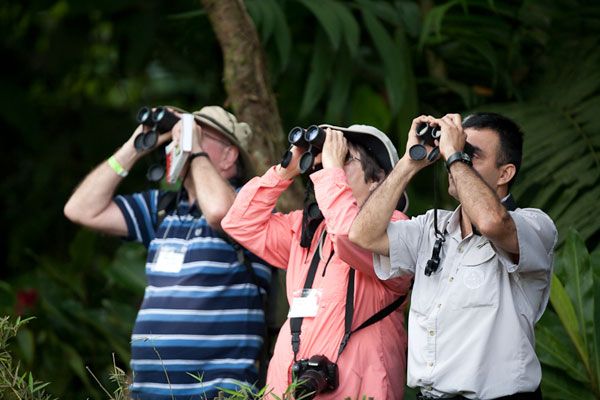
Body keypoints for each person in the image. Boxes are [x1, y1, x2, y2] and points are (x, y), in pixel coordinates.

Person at [64, 106, 271, 400]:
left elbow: (220, 213)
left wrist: (193, 147)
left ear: (229, 155)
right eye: (184, 133)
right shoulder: (164, 209)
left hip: (218, 393)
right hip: (151, 393)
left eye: (199, 133)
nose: (182, 140)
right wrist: (135, 146)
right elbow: (80, 209)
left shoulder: (250, 205)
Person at [349, 112, 557, 399]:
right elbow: (363, 234)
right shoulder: (430, 227)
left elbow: (492, 222)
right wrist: (410, 162)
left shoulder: (535, 225)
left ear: (505, 173)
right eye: (455, 149)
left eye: (472, 154)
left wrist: (455, 155)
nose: (453, 159)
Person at [221, 125, 412, 399]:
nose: (329, 165)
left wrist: (331, 170)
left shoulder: (396, 228)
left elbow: (351, 236)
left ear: (377, 180)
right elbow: (239, 223)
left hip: (357, 388)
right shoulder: (307, 230)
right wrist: (285, 171)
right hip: (288, 387)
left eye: (345, 158)